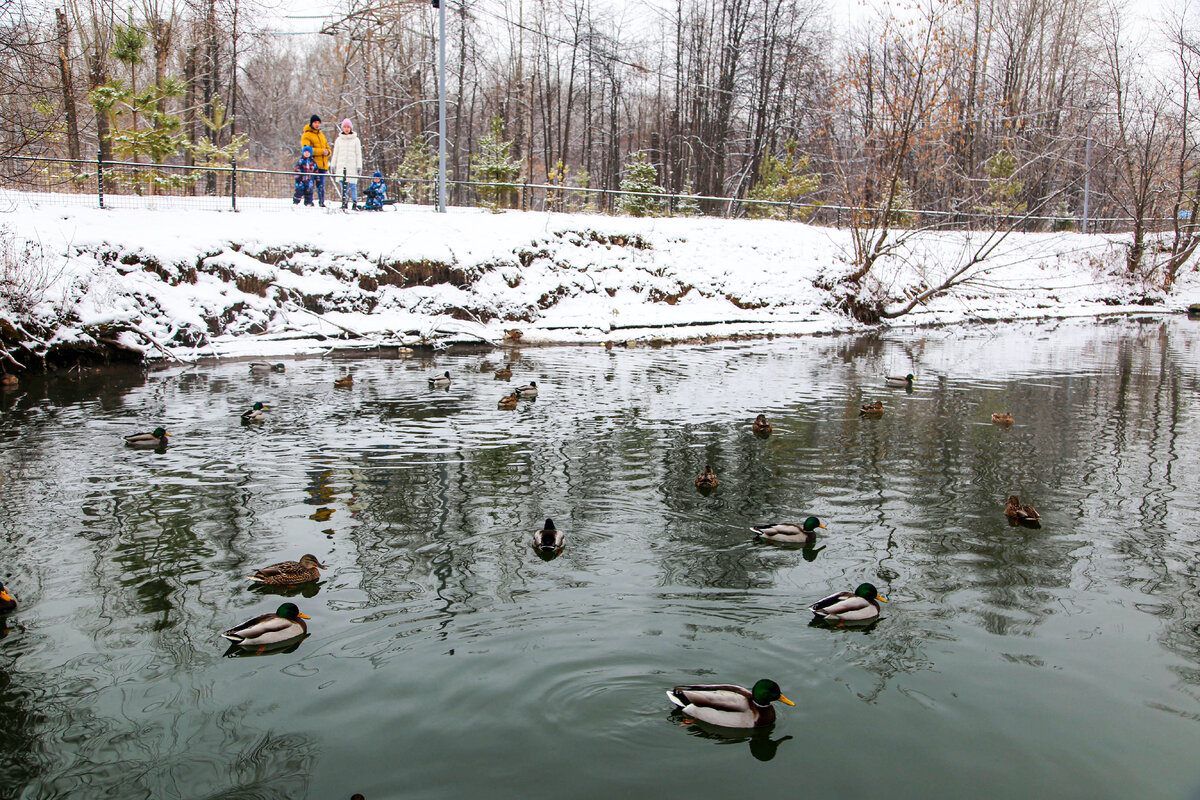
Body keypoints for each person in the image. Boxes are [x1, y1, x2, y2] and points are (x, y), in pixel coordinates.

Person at [329, 118, 364, 209]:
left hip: (352, 166)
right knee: (343, 185)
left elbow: (358, 154)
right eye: (345, 127)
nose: (346, 129)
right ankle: (344, 202)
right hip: (341, 166)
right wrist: (333, 165)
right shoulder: (338, 140)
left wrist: (359, 166)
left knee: (353, 185)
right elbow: (335, 154)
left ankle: (354, 202)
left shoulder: (356, 140)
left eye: (348, 127)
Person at [300, 114, 331, 207]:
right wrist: (321, 151)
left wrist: (328, 152)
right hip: (312, 165)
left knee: (321, 185)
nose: (317, 125)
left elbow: (328, 148)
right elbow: (307, 150)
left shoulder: (322, 135)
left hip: (323, 165)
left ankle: (321, 201)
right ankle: (309, 201)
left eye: (318, 123)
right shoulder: (307, 135)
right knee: (310, 185)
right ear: (311, 123)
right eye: (315, 122)